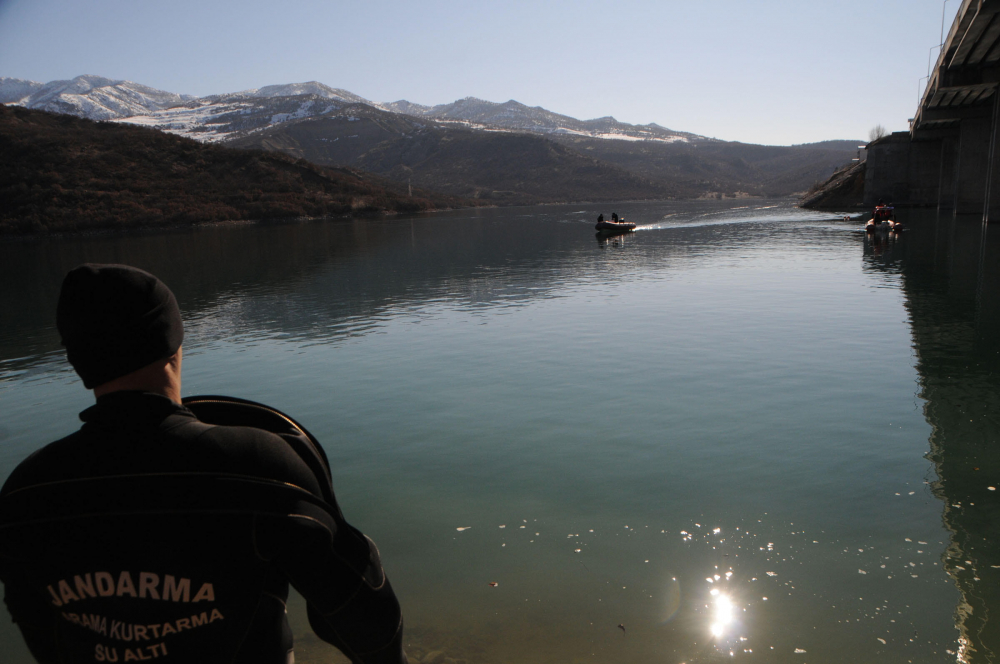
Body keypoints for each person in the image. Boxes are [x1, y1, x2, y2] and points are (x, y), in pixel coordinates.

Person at [0, 264, 407, 664]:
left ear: (77, 360)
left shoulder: (24, 493)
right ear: (174, 344)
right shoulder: (259, 466)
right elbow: (361, 617)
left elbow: (39, 631)